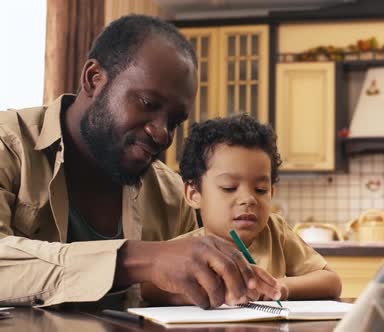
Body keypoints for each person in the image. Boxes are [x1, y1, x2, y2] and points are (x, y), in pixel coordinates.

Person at [0, 15, 279, 308]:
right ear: (94, 78)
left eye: (174, 122)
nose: (162, 134)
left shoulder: (171, 195)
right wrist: (138, 260)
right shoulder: (9, 146)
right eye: (148, 104)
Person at [142, 115, 342, 304]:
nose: (249, 199)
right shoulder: (188, 249)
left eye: (261, 190)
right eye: (229, 187)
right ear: (194, 194)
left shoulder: (276, 232)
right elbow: (148, 288)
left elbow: (331, 282)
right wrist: (205, 294)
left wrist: (283, 286)